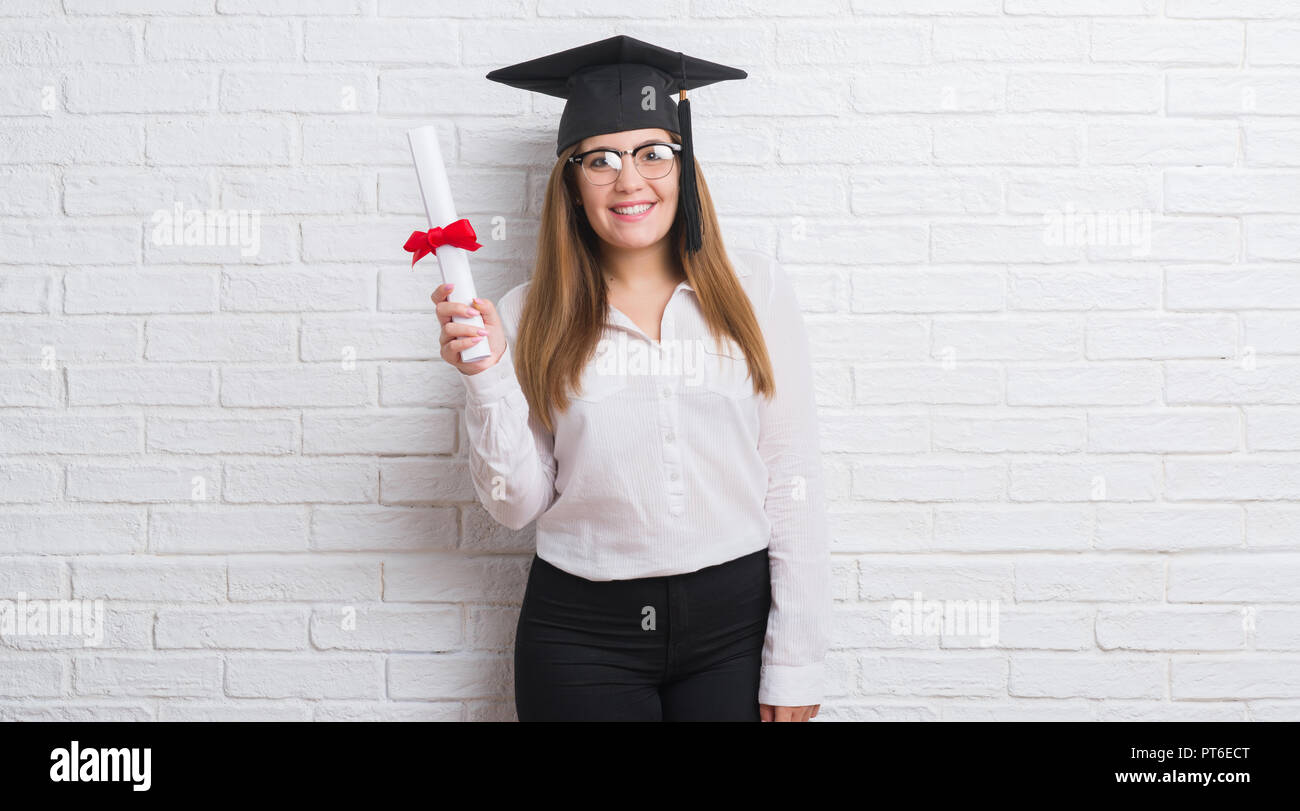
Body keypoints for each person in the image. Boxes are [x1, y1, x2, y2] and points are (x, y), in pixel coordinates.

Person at [432, 35, 832, 721]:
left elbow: (792, 478)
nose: (629, 180)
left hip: (733, 629)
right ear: (572, 182)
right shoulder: (529, 312)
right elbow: (515, 503)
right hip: (583, 634)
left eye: (653, 152)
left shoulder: (756, 290)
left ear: (684, 164)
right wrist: (488, 376)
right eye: (601, 160)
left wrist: (795, 659)